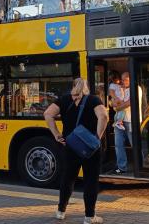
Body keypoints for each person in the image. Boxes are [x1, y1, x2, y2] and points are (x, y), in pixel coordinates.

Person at [44, 78, 108, 224]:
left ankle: (61, 211)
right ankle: (89, 217)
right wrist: (97, 137)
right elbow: (103, 116)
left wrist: (56, 134)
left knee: (68, 178)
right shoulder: (93, 100)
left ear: (73, 86)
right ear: (87, 87)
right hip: (90, 148)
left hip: (70, 145)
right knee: (90, 181)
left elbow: (48, 114)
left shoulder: (64, 100)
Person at [113, 72, 142, 174]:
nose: (123, 81)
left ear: (131, 79)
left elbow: (129, 103)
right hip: (119, 120)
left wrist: (117, 107)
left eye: (125, 79)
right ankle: (122, 167)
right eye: (122, 79)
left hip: (131, 120)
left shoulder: (136, 88)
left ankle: (140, 166)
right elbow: (115, 101)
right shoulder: (122, 89)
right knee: (118, 144)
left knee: (134, 144)